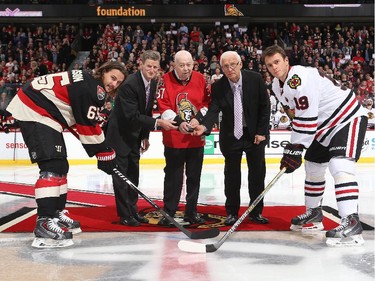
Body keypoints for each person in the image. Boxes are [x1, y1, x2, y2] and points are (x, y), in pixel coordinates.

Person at [6, 61, 126, 248]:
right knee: (52, 167)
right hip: (36, 110)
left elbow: (78, 125)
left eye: (118, 82)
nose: (114, 84)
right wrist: (104, 151)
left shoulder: (87, 81)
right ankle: (44, 223)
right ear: (103, 72)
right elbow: (87, 125)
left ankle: (55, 214)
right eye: (112, 78)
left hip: (46, 112)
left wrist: (102, 151)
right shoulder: (95, 90)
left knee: (61, 166)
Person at [262, 45, 368, 246]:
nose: (274, 67)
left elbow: (307, 116)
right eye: (269, 65)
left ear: (286, 61)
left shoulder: (299, 77)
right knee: (312, 166)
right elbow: (297, 117)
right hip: (321, 126)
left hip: (346, 118)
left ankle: (351, 222)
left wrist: (296, 147)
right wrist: (295, 147)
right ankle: (314, 213)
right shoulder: (277, 86)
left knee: (340, 166)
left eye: (277, 62)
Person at [192, 51, 270, 226]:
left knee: (257, 175)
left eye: (232, 64)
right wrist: (205, 127)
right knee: (231, 176)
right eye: (225, 66)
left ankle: (256, 212)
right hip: (231, 136)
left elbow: (265, 107)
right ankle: (232, 212)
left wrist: (261, 132)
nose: (229, 68)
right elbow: (214, 109)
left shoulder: (255, 79)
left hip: (254, 136)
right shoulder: (218, 86)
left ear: (240, 64)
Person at [106, 50, 177, 227]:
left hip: (134, 137)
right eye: (148, 66)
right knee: (122, 178)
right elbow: (132, 116)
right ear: (140, 64)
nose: (152, 70)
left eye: (155, 67)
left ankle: (133, 211)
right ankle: (124, 215)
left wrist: (145, 135)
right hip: (119, 137)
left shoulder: (152, 83)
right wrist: (158, 123)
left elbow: (145, 111)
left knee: (133, 176)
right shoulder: (130, 84)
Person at [156, 50, 211, 226]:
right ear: (174, 65)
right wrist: (179, 122)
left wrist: (198, 119)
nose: (186, 68)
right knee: (173, 177)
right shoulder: (164, 80)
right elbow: (163, 105)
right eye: (182, 65)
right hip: (174, 139)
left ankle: (191, 212)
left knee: (194, 177)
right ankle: (169, 212)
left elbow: (207, 103)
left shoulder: (201, 79)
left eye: (189, 64)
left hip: (196, 138)